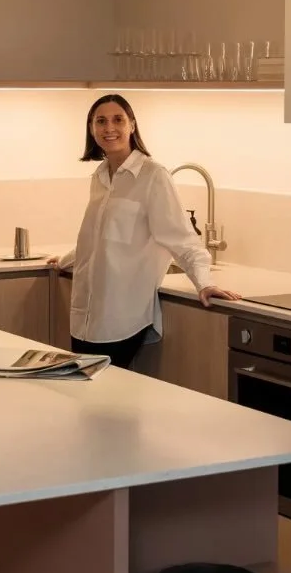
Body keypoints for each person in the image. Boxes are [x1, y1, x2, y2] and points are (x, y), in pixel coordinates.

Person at [48, 93, 241, 370]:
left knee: (109, 401)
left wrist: (204, 282)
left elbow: (182, 239)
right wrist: (65, 260)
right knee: (88, 402)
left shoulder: (153, 176)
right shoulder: (101, 176)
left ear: (132, 125)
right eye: (100, 121)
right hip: (85, 317)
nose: (109, 128)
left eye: (118, 119)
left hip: (122, 318)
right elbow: (98, 240)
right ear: (91, 129)